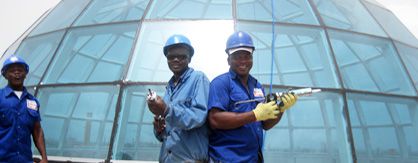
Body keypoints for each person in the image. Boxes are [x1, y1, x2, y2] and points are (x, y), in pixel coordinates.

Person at [207, 31, 298, 162]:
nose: (243, 61)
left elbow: (265, 124)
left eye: (247, 56)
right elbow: (215, 120)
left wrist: (280, 109)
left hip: (253, 158)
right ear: (228, 60)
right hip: (228, 159)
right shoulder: (221, 83)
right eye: (237, 56)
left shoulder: (257, 86)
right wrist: (255, 114)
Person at [146, 34, 210, 162]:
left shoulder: (198, 79)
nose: (176, 60)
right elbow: (168, 133)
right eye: (171, 57)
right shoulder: (169, 88)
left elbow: (198, 116)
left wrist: (166, 110)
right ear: (167, 59)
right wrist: (159, 130)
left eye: (182, 56)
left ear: (190, 58)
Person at [0, 55, 48, 163]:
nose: (17, 73)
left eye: (20, 70)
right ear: (5, 75)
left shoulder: (33, 101)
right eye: (12, 71)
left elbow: (37, 130)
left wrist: (44, 157)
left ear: (25, 74)